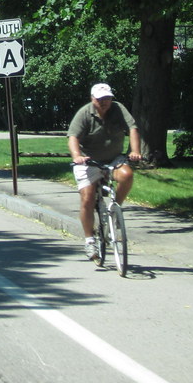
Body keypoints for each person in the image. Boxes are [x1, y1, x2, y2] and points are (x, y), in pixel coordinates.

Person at [68, 83, 142, 262]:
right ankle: (89, 239)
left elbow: (132, 128)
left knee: (127, 175)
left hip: (114, 158)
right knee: (87, 197)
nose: (104, 102)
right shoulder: (84, 113)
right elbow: (73, 137)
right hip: (88, 160)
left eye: (107, 98)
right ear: (92, 99)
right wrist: (77, 155)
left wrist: (135, 151)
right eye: (100, 99)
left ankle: (116, 209)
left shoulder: (118, 109)